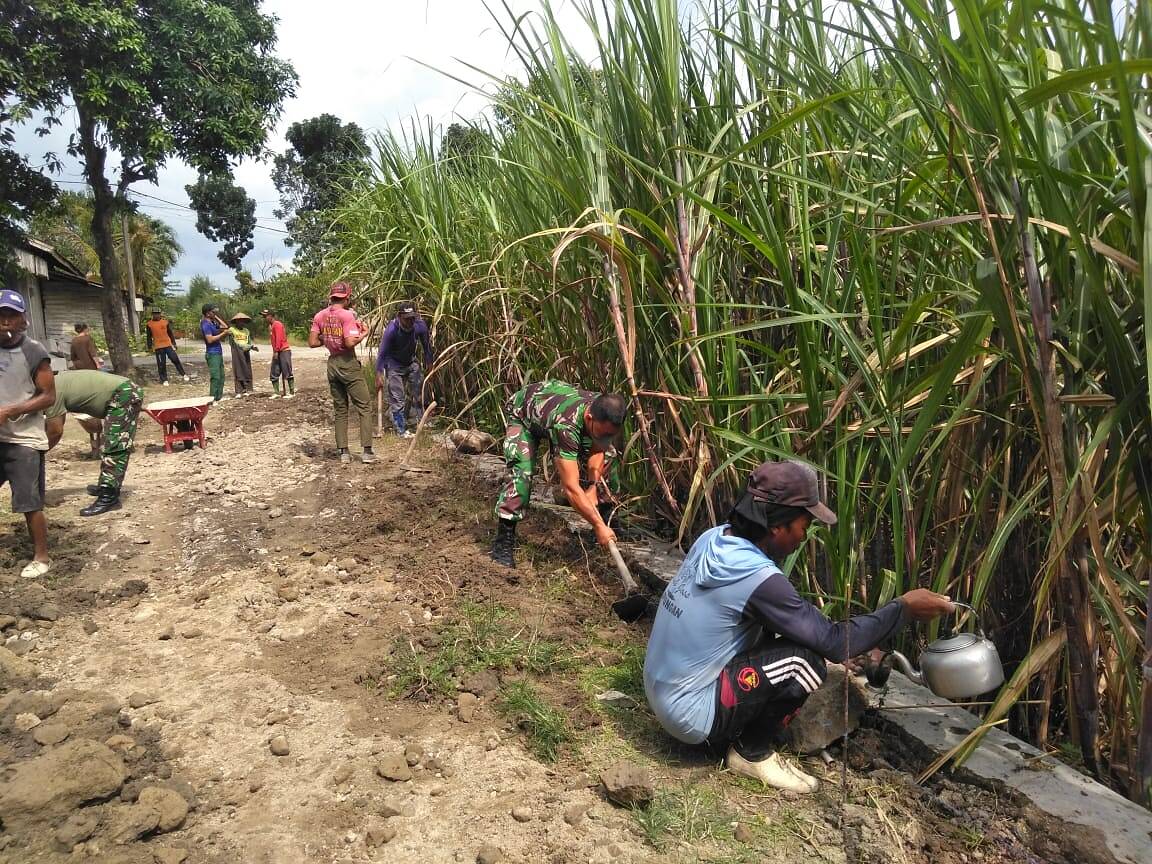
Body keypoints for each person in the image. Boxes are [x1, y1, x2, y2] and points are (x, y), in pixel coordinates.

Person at [642, 460, 956, 793]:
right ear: (777, 527)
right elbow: (834, 642)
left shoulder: (714, 539)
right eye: (803, 525)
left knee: (794, 640)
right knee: (805, 661)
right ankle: (752, 751)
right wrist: (903, 608)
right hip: (690, 715)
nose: (804, 536)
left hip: (661, 690)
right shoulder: (757, 578)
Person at [491, 379, 626, 568]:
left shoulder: (604, 409)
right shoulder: (566, 426)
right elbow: (570, 487)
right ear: (589, 418)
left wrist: (593, 488)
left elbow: (598, 450)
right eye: (602, 433)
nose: (606, 438)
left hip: (554, 408)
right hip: (523, 413)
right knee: (523, 473)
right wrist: (596, 526)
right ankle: (503, 541)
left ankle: (608, 519)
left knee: (609, 456)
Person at [0, 290, 56, 578]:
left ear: (23, 320)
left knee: (28, 501)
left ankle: (42, 557)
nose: (5, 321)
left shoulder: (34, 351)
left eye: (11, 315)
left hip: (24, 438)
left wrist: (11, 411)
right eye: (1, 314)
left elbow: (48, 396)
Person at [44, 370, 144, 516]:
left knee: (115, 445)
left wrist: (38, 452)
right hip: (122, 390)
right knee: (110, 443)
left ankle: (109, 496)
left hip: (124, 393)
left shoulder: (51, 392)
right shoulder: (53, 383)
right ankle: (106, 484)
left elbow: (55, 431)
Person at [308, 282, 376, 464]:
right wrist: (364, 334)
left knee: (340, 409)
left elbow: (313, 342)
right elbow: (349, 343)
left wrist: (328, 338)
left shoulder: (320, 315)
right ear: (346, 298)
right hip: (347, 362)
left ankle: (343, 451)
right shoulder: (346, 315)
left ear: (332, 297)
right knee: (364, 406)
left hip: (332, 364)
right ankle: (367, 451)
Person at [375, 301, 434, 437]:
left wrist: (430, 365)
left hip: (410, 362)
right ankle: (400, 429)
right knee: (398, 398)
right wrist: (379, 374)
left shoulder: (419, 326)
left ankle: (422, 422)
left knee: (419, 393)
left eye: (412, 318)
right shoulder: (392, 330)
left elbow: (427, 347)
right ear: (399, 316)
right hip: (394, 364)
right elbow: (382, 353)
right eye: (406, 319)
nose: (410, 321)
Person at [145, 307, 189, 386]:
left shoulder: (165, 322)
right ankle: (164, 379)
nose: (156, 315)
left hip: (167, 345)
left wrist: (174, 343)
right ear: (152, 315)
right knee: (161, 364)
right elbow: (148, 337)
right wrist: (149, 347)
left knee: (175, 359)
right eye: (154, 314)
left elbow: (170, 333)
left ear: (160, 314)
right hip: (158, 347)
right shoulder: (149, 324)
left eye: (158, 313)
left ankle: (183, 374)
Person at [262, 308, 295, 399]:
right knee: (274, 371)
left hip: (283, 350)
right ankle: (276, 392)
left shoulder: (277, 325)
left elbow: (279, 339)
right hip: (277, 351)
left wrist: (276, 351)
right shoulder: (271, 326)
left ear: (271, 316)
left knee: (287, 370)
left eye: (266, 316)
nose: (265, 318)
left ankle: (291, 392)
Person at [200, 304, 229, 402]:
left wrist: (216, 317)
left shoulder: (212, 323)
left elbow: (225, 327)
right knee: (215, 376)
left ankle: (218, 397)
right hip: (212, 353)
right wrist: (223, 334)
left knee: (221, 376)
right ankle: (212, 398)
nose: (215, 313)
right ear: (207, 313)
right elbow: (210, 339)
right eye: (213, 312)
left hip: (218, 352)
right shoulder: (205, 324)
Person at [228, 312, 257, 397]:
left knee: (246, 369)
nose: (241, 323)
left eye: (243, 321)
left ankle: (247, 389)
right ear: (236, 322)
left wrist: (252, 347)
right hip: (237, 351)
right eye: (239, 321)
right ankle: (239, 391)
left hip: (246, 351)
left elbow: (249, 341)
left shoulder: (246, 331)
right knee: (238, 370)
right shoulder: (232, 330)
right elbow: (232, 342)